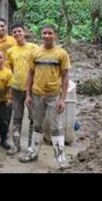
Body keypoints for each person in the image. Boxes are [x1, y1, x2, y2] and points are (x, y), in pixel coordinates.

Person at [20, 24, 74, 169]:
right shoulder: (35, 53)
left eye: (49, 33)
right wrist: (28, 95)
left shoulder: (61, 54)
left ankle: (61, 157)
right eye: (44, 33)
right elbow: (30, 74)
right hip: (37, 95)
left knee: (56, 127)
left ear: (55, 35)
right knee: (37, 125)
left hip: (54, 96)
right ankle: (32, 152)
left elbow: (65, 77)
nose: (46, 36)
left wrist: (62, 99)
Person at [5, 22, 38, 155]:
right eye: (15, 32)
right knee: (17, 117)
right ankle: (16, 145)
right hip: (16, 88)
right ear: (12, 35)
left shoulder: (34, 48)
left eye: (19, 31)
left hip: (32, 89)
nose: (17, 34)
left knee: (33, 118)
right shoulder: (10, 51)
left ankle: (31, 146)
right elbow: (12, 68)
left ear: (24, 32)